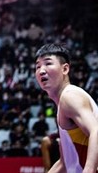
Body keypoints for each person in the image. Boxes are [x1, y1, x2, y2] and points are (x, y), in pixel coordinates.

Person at [35, 43, 98, 173]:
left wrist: (89, 170)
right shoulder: (62, 105)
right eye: (38, 66)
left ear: (65, 69)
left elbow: (96, 130)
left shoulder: (70, 96)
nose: (41, 70)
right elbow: (64, 162)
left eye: (48, 63)